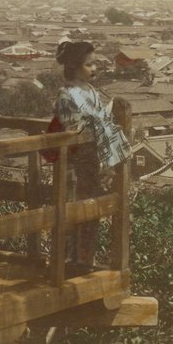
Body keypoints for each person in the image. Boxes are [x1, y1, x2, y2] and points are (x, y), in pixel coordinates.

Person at [53, 40, 131, 270]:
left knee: (91, 212)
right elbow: (70, 127)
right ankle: (68, 265)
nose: (93, 68)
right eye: (88, 65)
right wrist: (97, 123)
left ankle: (86, 261)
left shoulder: (91, 91)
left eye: (94, 63)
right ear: (75, 66)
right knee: (73, 212)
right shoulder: (67, 94)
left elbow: (97, 118)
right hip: (75, 161)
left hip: (92, 159)